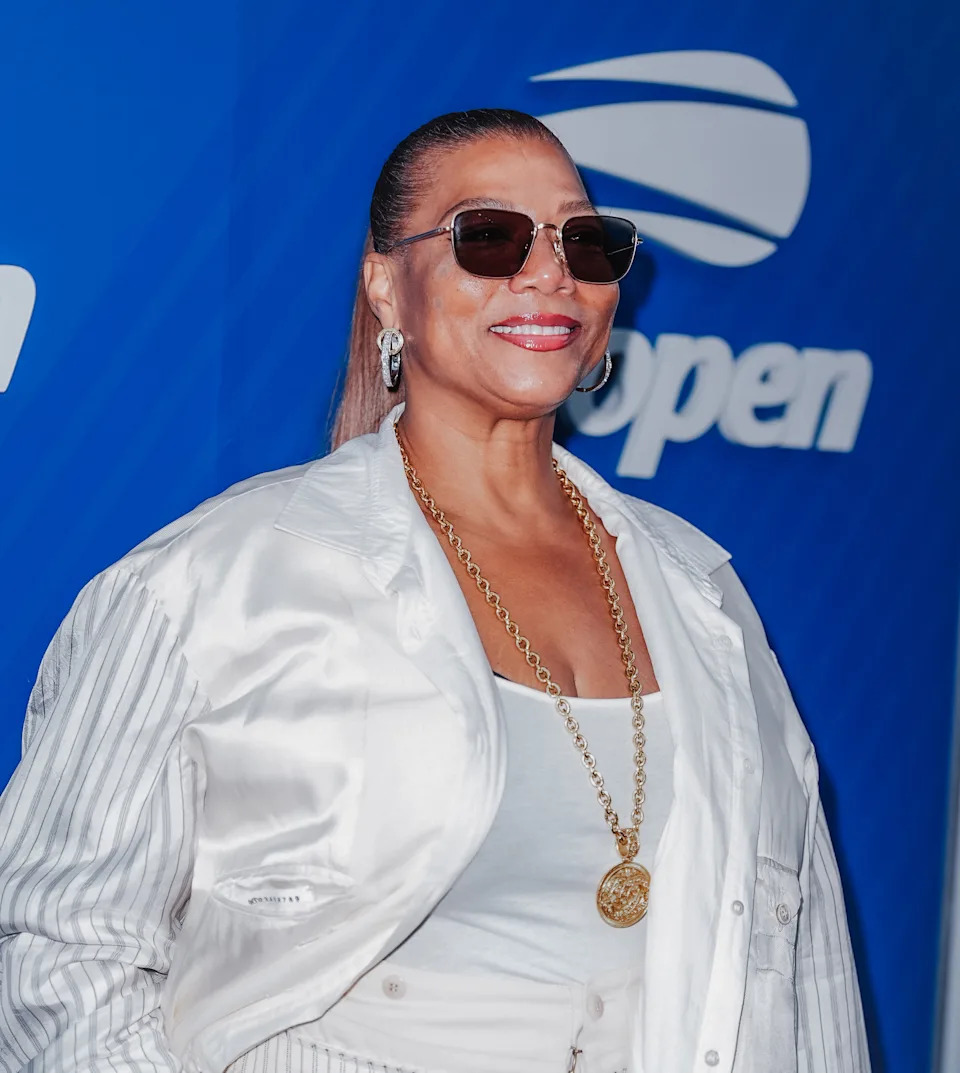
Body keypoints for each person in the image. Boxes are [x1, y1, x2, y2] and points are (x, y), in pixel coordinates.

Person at [0, 109, 869, 1073]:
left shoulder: (703, 594)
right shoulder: (208, 584)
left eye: (585, 242)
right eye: (491, 237)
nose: (550, 274)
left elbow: (804, 968)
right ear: (386, 286)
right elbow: (56, 950)